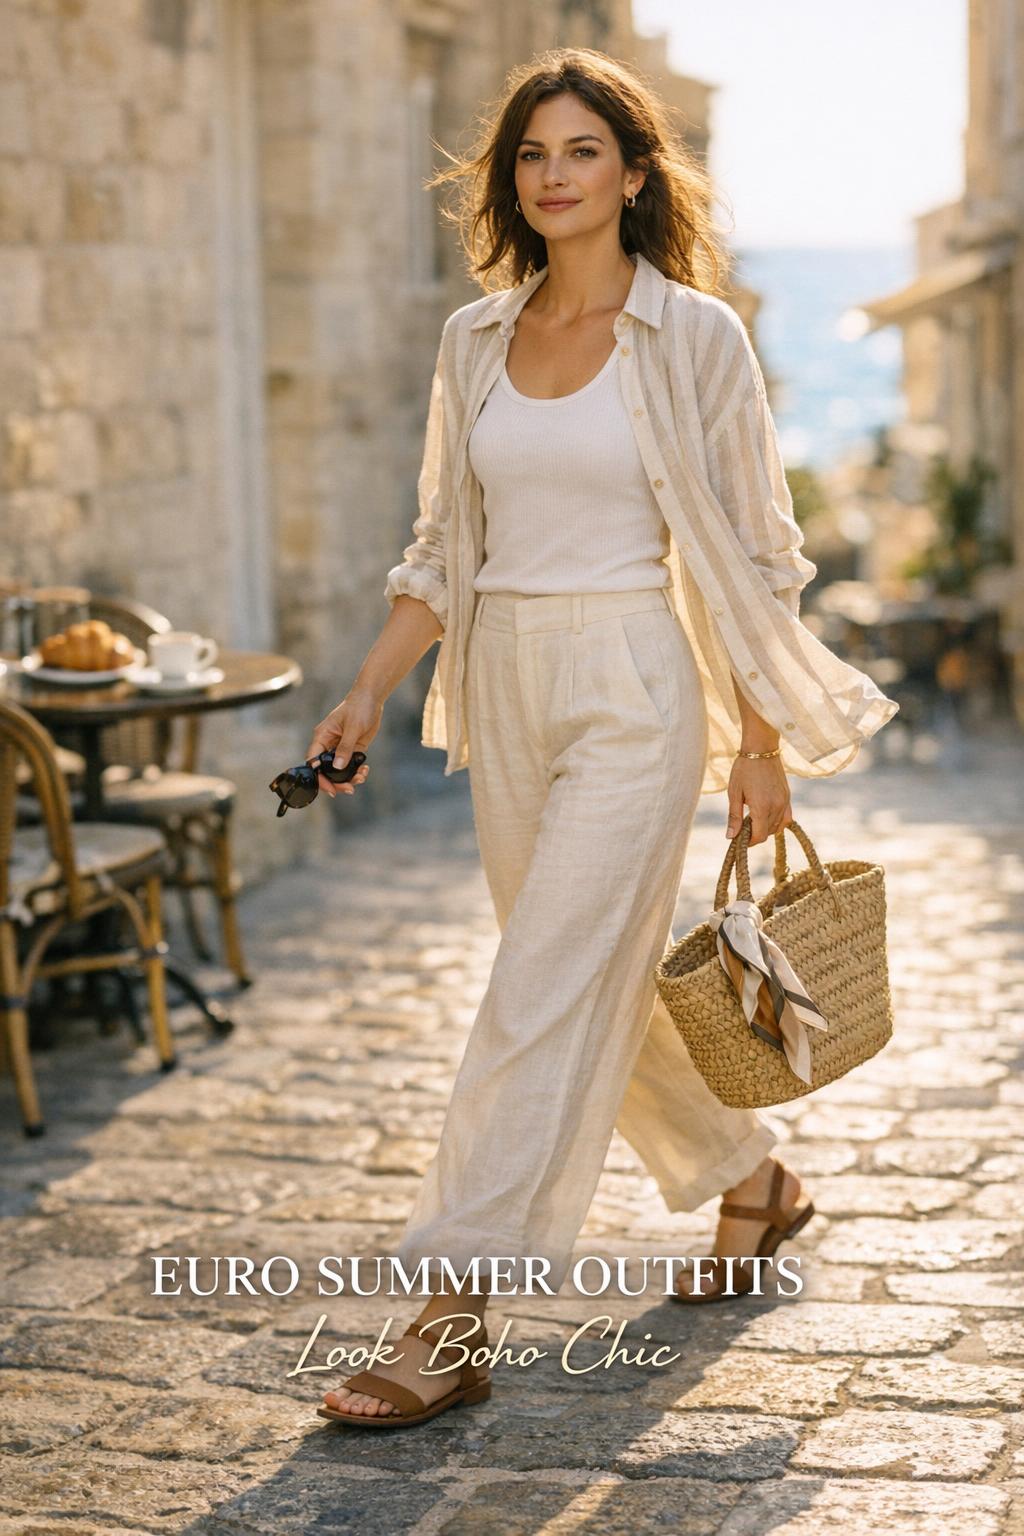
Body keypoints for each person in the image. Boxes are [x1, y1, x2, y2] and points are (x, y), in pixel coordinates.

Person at [305, 48, 898, 1428]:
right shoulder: (476, 340)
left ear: (635, 173)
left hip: (639, 687)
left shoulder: (695, 336)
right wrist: (371, 687)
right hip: (504, 682)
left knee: (535, 998)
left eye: (582, 151)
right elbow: (445, 547)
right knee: (590, 980)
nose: (555, 175)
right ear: (511, 180)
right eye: (532, 154)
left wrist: (756, 744)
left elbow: (760, 556)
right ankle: (754, 1179)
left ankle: (446, 1315)